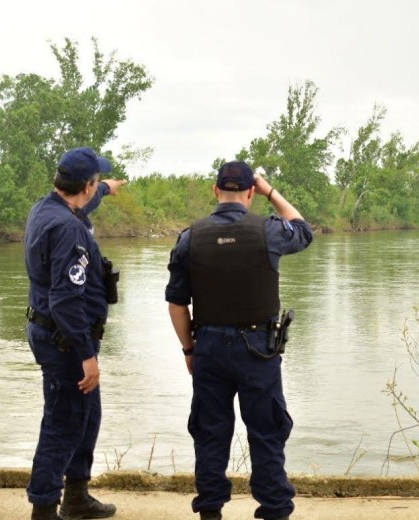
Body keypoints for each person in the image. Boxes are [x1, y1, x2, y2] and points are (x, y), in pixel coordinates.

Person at [166, 161, 313, 520]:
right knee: (266, 431)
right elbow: (304, 230)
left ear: (216, 191)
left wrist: (189, 349)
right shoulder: (269, 231)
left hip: (209, 348)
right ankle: (275, 510)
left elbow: (177, 303)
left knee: (210, 433)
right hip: (258, 349)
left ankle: (211, 511)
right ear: (250, 192)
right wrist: (271, 191)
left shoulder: (191, 237)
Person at [24, 147, 127, 520]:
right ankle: (44, 508)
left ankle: (77, 496)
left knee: (85, 414)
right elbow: (67, 299)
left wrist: (107, 189)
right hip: (65, 340)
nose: (97, 188)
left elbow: (84, 202)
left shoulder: (47, 208)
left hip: (56, 332)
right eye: (96, 183)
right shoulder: (68, 229)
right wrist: (87, 356)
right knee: (63, 422)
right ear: (85, 185)